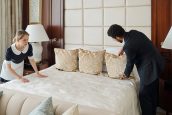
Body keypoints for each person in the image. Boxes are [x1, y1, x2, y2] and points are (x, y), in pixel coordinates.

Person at [107, 24, 164, 115]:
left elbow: (130, 64)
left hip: (150, 67)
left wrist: (125, 75)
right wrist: (123, 49)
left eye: (113, 38)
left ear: (117, 37)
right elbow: (131, 44)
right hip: (157, 61)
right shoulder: (133, 33)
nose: (114, 40)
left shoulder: (129, 46)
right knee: (152, 92)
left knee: (144, 94)